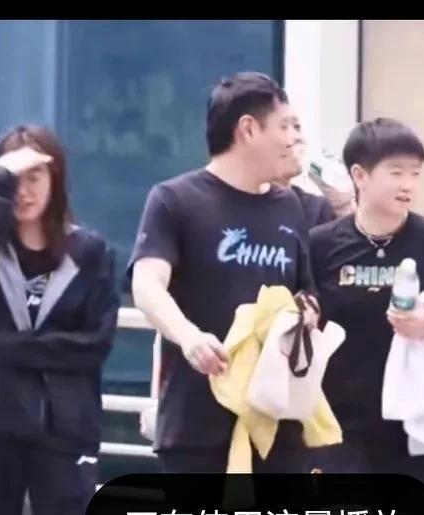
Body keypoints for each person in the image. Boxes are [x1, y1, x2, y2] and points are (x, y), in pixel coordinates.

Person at [129, 71, 318, 474]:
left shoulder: (290, 207)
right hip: (197, 424)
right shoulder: (174, 200)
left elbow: (305, 291)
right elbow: (146, 284)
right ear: (248, 129)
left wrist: (308, 314)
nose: (293, 139)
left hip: (275, 424)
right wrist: (190, 338)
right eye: (284, 126)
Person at [308, 118, 424, 513]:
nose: (408, 185)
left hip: (414, 430)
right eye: (396, 172)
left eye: (415, 173)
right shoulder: (321, 244)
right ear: (359, 176)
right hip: (338, 430)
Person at [0, 125, 119, 515]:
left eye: (34, 177)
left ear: (56, 179)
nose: (23, 191)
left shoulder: (91, 253)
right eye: (13, 179)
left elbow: (92, 346)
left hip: (66, 429)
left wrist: (2, 350)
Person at [274, 113, 337, 229]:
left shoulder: (317, 209)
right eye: (283, 128)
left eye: (297, 127)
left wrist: (345, 207)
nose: (297, 138)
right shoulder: (240, 207)